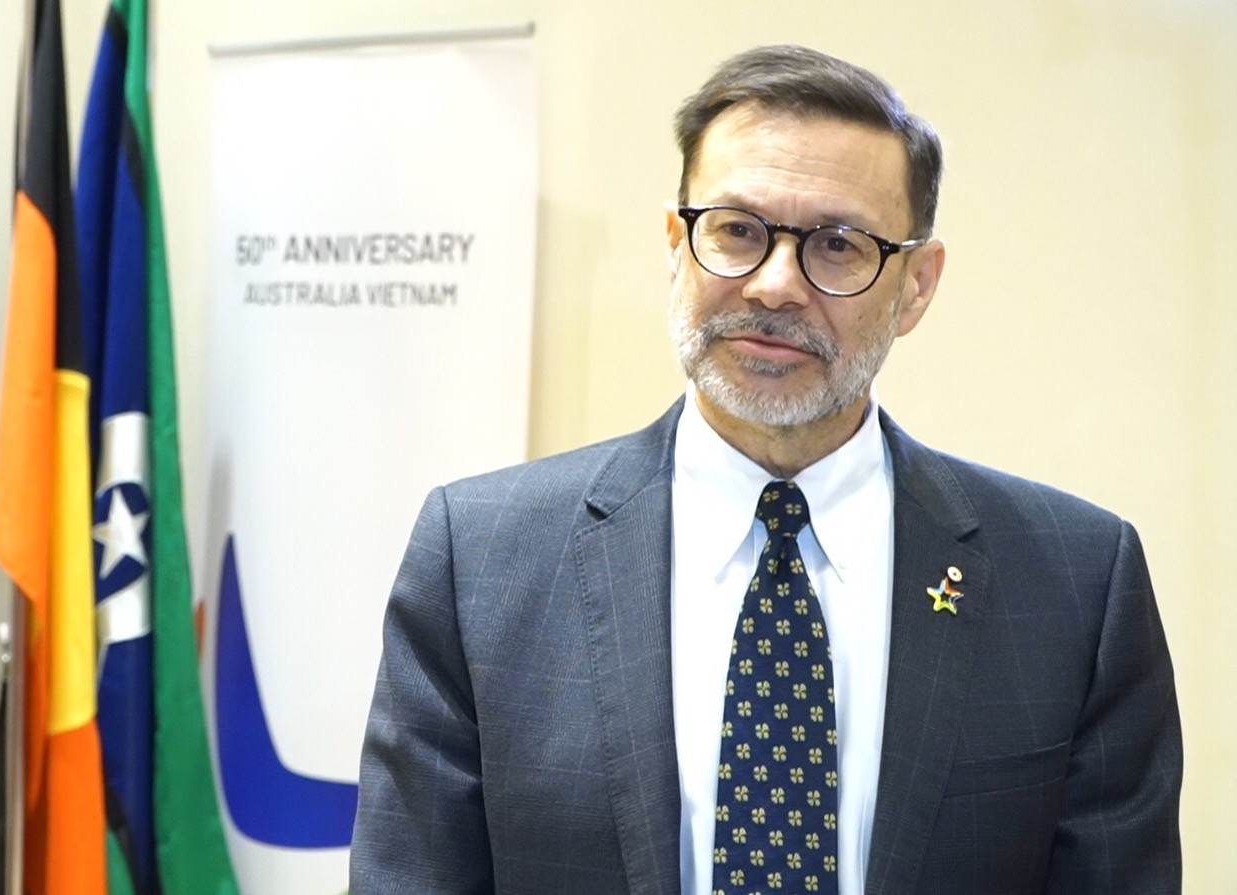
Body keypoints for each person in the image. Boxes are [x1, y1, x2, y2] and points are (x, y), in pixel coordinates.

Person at [348, 44, 1182, 894]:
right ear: (676, 244)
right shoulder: (481, 563)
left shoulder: (1077, 584)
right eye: (738, 231)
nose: (775, 285)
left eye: (838, 244)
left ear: (917, 285)